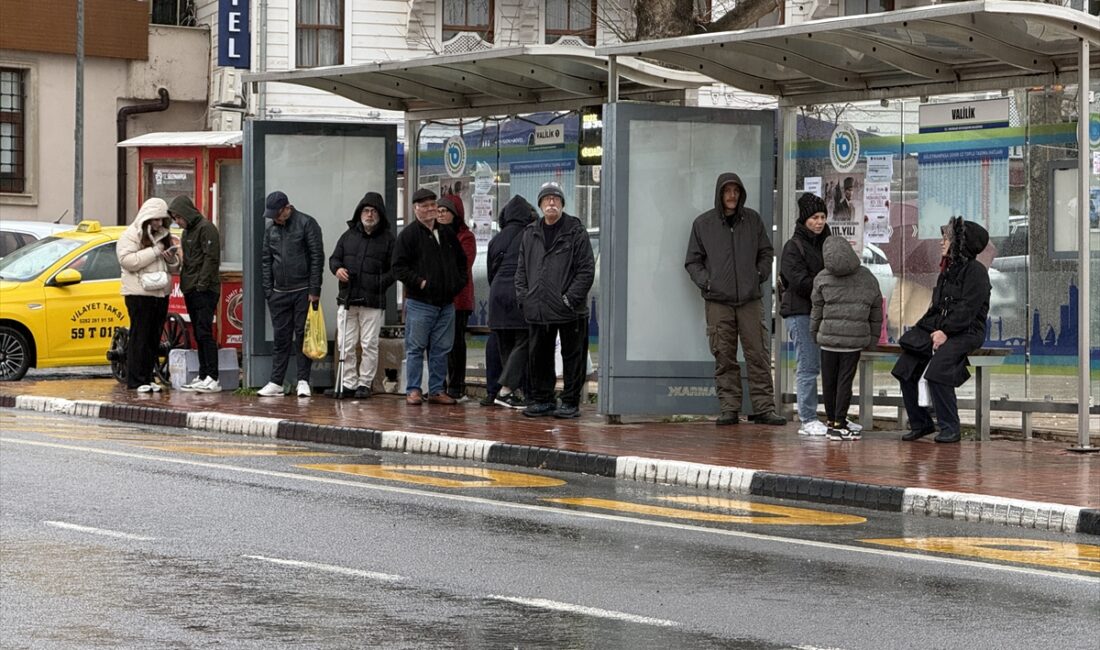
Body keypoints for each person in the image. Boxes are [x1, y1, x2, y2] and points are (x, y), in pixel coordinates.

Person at [685, 173, 786, 426]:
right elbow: (692, 261)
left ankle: (764, 408)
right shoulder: (703, 224)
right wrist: (708, 282)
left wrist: (758, 275)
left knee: (758, 353)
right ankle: (729, 408)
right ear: (720, 194)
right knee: (724, 355)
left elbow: (766, 252)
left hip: (750, 300)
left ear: (740, 194)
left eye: (736, 191)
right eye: (727, 191)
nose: (732, 195)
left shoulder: (752, 220)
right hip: (718, 301)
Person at [892, 216, 991, 444]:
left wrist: (945, 332)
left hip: (966, 332)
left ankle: (950, 427)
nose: (941, 242)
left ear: (959, 243)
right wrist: (920, 331)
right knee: (905, 368)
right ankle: (921, 423)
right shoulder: (948, 269)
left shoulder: (976, 272)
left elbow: (967, 309)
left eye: (947, 238)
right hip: (941, 329)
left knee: (938, 371)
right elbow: (937, 307)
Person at [515, 182, 594, 419]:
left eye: (556, 199)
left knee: (573, 356)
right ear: (539, 204)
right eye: (547, 199)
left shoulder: (575, 231)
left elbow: (586, 270)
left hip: (569, 310)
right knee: (539, 355)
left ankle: (570, 401)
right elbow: (521, 271)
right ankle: (543, 399)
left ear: (562, 204)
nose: (551, 203)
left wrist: (570, 299)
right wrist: (524, 298)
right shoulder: (530, 233)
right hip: (537, 307)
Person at [392, 187, 467, 406]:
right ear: (415, 209)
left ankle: (436, 389)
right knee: (415, 348)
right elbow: (398, 267)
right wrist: (420, 282)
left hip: (446, 303)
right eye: (425, 206)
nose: (430, 209)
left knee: (442, 348)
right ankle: (414, 389)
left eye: (433, 205)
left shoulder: (447, 233)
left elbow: (462, 263)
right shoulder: (408, 236)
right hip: (420, 303)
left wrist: (457, 285)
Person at [810, 236, 883, 441]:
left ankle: (832, 421)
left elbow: (816, 310)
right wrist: (873, 338)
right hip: (853, 341)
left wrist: (814, 332)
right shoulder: (867, 277)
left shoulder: (822, 277)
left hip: (828, 340)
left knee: (829, 382)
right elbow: (876, 311)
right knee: (844, 382)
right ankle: (840, 423)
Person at [257, 191, 324, 398]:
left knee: (303, 337)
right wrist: (269, 291)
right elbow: (266, 260)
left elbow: (317, 258)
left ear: (287, 208)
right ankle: (276, 381)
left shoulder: (306, 223)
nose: (275, 219)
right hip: (279, 292)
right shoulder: (271, 230)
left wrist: (314, 290)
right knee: (281, 338)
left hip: (303, 291)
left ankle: (303, 380)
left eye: (277, 214)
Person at [327, 192, 394, 399]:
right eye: (366, 210)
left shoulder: (389, 239)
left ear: (380, 214)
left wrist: (377, 284)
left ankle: (364, 383)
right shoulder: (348, 236)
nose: (370, 214)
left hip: (372, 301)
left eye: (374, 211)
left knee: (369, 344)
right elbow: (334, 259)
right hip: (347, 298)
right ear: (360, 212)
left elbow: (395, 269)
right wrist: (337, 269)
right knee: (345, 345)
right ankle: (348, 383)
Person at [780, 193, 831, 436]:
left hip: (823, 312)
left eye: (822, 217)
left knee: (824, 365)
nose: (819, 222)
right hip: (800, 312)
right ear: (804, 219)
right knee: (808, 365)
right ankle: (807, 417)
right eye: (814, 217)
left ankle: (831, 417)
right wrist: (825, 286)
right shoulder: (793, 247)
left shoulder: (828, 244)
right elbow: (798, 281)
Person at [117, 198, 180, 393]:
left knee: (154, 337)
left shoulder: (164, 235)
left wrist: (171, 259)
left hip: (160, 291)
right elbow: (127, 261)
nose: (159, 224)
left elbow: (174, 267)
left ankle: (148, 376)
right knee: (140, 336)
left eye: (162, 220)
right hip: (139, 293)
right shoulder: (130, 235)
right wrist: (155, 251)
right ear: (146, 219)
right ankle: (136, 379)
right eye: (155, 220)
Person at [488, 195, 538, 409]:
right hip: (518, 293)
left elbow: (491, 271)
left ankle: (513, 394)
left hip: (497, 295)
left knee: (506, 344)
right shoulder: (531, 234)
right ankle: (507, 389)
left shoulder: (496, 239)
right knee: (525, 339)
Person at [168, 195, 222, 393]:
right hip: (191, 287)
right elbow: (189, 260)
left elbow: (211, 258)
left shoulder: (206, 228)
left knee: (205, 331)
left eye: (178, 217)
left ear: (186, 213)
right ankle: (203, 374)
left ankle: (213, 376)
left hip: (204, 289)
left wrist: (202, 284)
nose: (177, 222)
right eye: (174, 218)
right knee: (199, 333)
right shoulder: (187, 232)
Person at [436, 195, 475, 401]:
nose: (440, 214)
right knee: (437, 344)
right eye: (438, 211)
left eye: (445, 211)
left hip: (459, 298)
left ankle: (457, 386)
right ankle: (438, 386)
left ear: (455, 214)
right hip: (437, 298)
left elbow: (463, 264)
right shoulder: (432, 234)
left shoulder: (465, 237)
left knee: (455, 343)